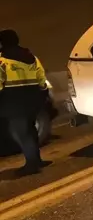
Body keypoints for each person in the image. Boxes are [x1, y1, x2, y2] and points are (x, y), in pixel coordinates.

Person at [0, 29, 50, 176]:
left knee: (20, 133)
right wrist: (42, 93)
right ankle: (37, 160)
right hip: (33, 99)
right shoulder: (30, 56)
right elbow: (41, 77)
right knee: (30, 129)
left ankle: (32, 164)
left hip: (14, 102)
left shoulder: (2, 60)